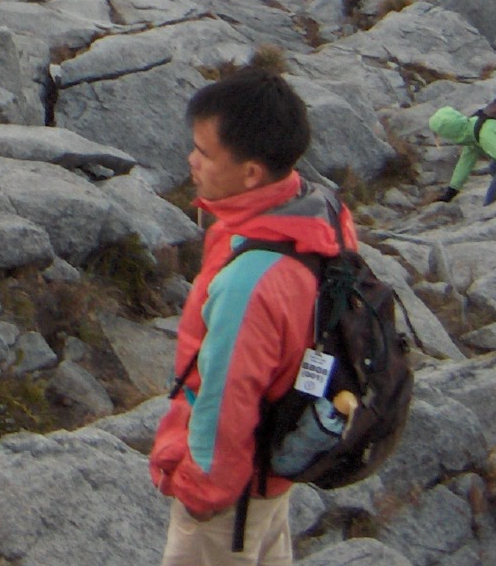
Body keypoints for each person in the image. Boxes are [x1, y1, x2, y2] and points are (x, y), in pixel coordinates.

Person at [151, 69, 357, 566]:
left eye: (204, 151)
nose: (191, 160)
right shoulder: (313, 212)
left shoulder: (253, 282)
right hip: (271, 472)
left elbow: (227, 399)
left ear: (250, 173)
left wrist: (199, 491)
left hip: (229, 504)